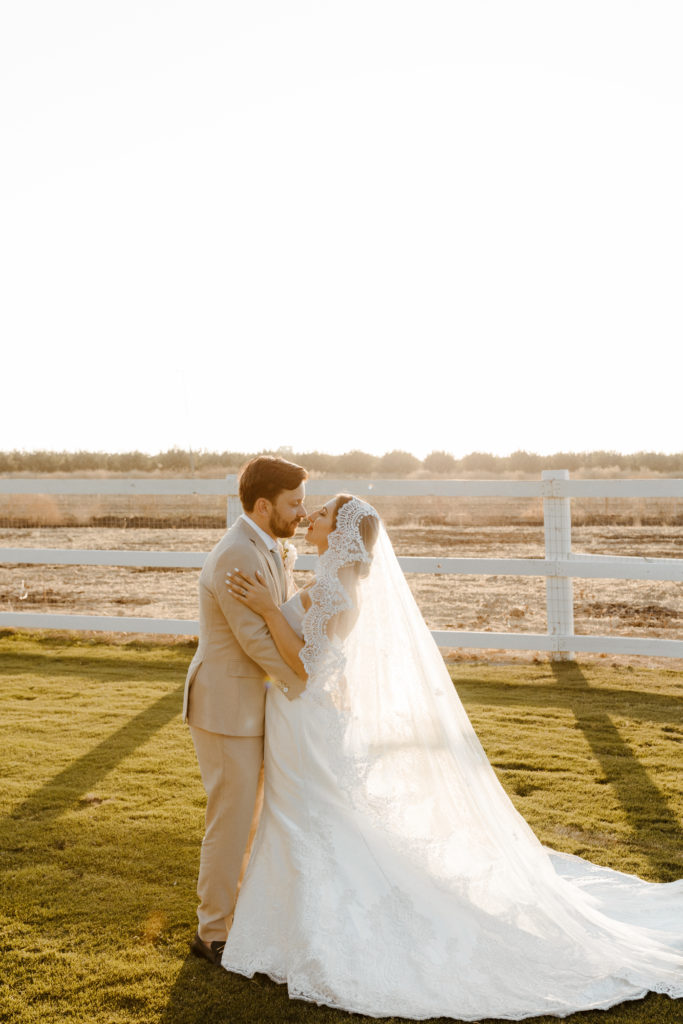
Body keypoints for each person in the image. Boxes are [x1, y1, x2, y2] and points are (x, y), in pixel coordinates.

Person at [221, 494, 683, 1020]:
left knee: (306, 816)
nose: (310, 517)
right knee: (304, 815)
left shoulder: (335, 590)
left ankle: (298, 929)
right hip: (301, 717)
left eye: (322, 513)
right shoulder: (333, 582)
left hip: (302, 716)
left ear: (343, 535)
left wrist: (263, 608)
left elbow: (305, 666)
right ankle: (283, 925)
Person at [182, 455, 308, 965]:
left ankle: (238, 919)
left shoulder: (268, 547)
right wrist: (307, 681)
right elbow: (256, 640)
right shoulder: (238, 553)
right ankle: (211, 933)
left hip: (251, 704)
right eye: (294, 503)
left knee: (251, 821)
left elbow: (285, 617)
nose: (302, 512)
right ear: (263, 504)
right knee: (231, 822)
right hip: (225, 706)